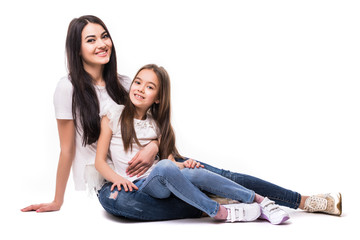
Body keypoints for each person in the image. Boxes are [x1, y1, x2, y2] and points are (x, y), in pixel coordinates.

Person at [21, 15, 342, 220]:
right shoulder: (68, 89)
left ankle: (304, 201)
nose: (102, 43)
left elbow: (155, 121)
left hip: (160, 164)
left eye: (104, 36)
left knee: (223, 173)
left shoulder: (123, 82)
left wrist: (153, 147)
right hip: (117, 183)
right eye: (91, 39)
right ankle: (222, 203)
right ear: (76, 49)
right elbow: (67, 150)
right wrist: (56, 200)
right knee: (119, 205)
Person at [94, 64, 292, 224]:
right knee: (165, 168)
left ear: (158, 98)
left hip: (161, 180)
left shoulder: (157, 126)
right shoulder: (113, 115)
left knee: (188, 170)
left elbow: (168, 161)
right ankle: (220, 211)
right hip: (142, 187)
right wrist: (118, 180)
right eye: (138, 82)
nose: (140, 89)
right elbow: (100, 162)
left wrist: (184, 165)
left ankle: (259, 200)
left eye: (150, 87)